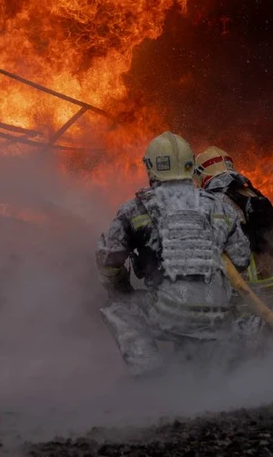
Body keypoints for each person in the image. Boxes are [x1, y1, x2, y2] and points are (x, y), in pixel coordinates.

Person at [95, 132, 252, 379]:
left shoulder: (136, 209)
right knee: (226, 316)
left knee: (117, 308)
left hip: (168, 315)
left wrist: (121, 288)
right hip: (218, 315)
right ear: (191, 165)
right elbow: (241, 259)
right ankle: (222, 367)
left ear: (151, 167)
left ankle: (150, 373)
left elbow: (107, 257)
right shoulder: (218, 206)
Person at [193, 146, 273, 350]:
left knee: (237, 331)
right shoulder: (251, 192)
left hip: (246, 282)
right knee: (258, 320)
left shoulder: (214, 200)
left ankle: (246, 363)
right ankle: (267, 345)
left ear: (203, 173)